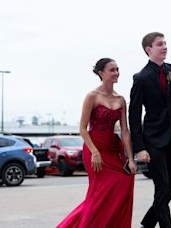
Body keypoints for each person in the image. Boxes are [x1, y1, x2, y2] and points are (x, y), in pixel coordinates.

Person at [57, 58, 137, 228]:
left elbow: (124, 131)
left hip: (113, 149)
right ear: (101, 73)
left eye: (117, 69)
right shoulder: (92, 96)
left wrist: (131, 158)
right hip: (95, 149)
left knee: (124, 181)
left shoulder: (121, 99)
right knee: (99, 194)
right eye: (112, 70)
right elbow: (82, 128)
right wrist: (94, 152)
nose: (117, 73)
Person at [129, 32, 171, 228]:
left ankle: (147, 223)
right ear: (149, 49)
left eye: (165, 43)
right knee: (162, 186)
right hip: (153, 140)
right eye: (159, 44)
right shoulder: (141, 78)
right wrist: (139, 148)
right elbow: (134, 115)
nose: (164, 47)